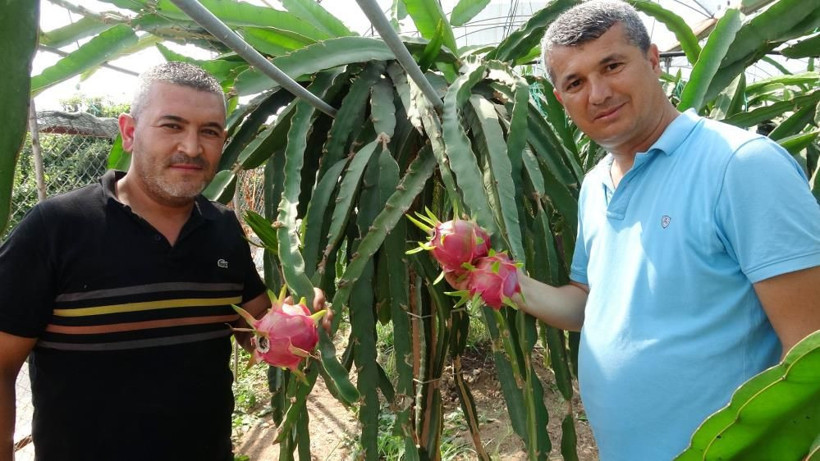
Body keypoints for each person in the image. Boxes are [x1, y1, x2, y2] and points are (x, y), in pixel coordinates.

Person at [510, 1, 820, 459]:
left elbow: (810, 350)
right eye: (575, 82)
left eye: (612, 65)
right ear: (561, 98)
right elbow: (588, 303)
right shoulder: (596, 184)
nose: (597, 94)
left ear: (653, 61)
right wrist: (503, 281)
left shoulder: (740, 165)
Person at [0, 62, 326, 461]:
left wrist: (297, 324)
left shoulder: (223, 228)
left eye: (209, 131)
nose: (192, 147)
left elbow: (252, 328)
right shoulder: (55, 227)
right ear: (130, 132)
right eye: (172, 126)